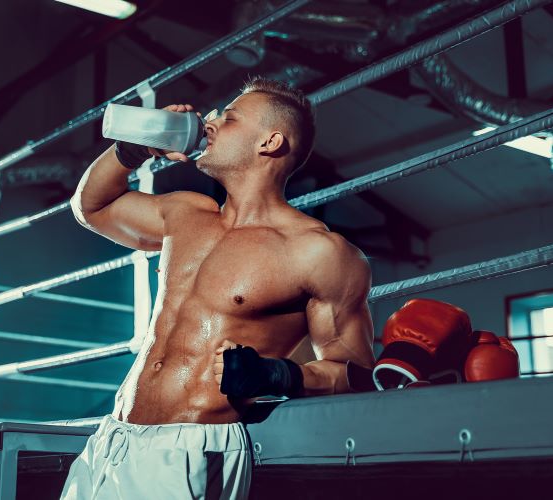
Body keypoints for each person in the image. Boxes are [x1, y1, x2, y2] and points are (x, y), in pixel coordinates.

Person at [62, 77, 375, 499]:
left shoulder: (317, 253)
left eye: (228, 117)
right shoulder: (186, 213)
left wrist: (275, 374)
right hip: (113, 439)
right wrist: (130, 151)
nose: (207, 121)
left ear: (269, 142)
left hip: (193, 450)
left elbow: (355, 373)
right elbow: (90, 207)